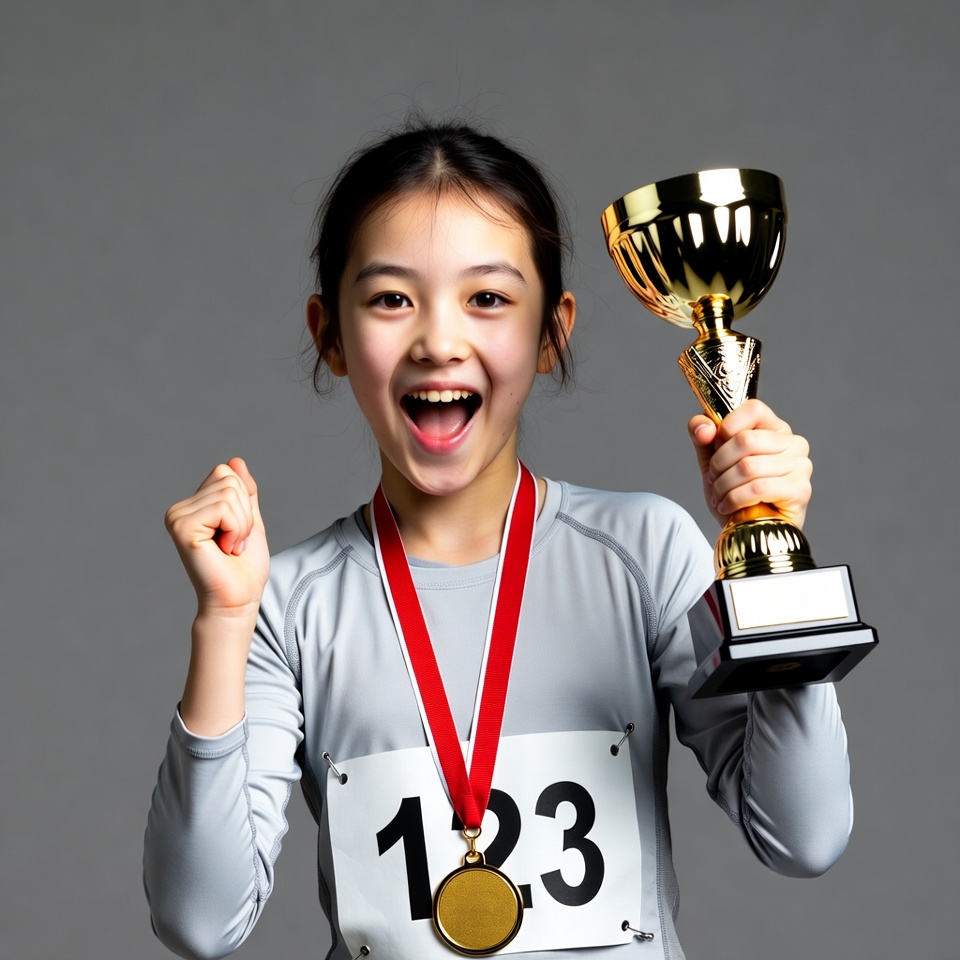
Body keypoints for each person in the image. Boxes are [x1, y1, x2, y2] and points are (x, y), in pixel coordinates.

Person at [144, 122, 851, 960]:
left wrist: (767, 558)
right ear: (329, 334)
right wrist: (224, 622)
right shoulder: (284, 602)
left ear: (553, 332)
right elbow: (198, 921)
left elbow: (804, 836)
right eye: (390, 298)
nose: (440, 340)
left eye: (487, 298)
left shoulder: (644, 553)